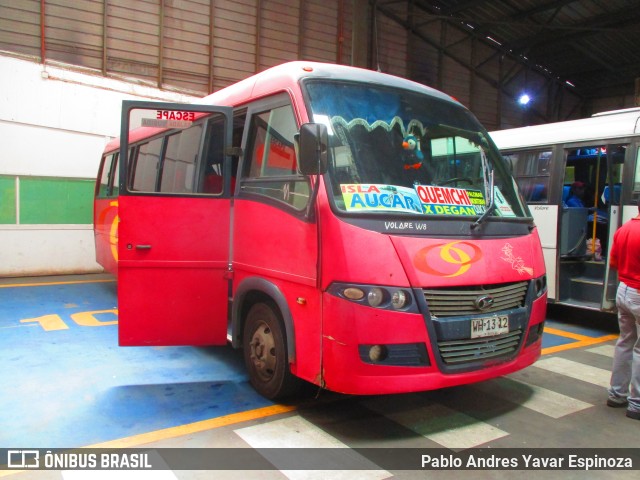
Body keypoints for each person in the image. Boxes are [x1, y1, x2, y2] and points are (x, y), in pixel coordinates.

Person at [607, 199, 640, 420]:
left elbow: (614, 262)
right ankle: (636, 404)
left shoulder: (624, 228)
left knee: (625, 341)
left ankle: (616, 394)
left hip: (624, 290)